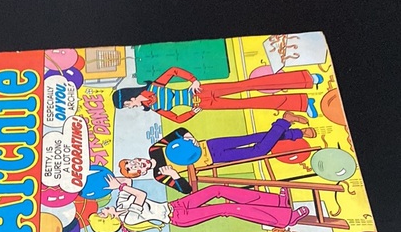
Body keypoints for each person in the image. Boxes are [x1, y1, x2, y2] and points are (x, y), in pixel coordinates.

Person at [118, 111, 316, 194]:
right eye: (135, 169)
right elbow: (187, 190)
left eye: (133, 162)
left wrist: (188, 136)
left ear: (136, 158)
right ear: (141, 173)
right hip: (215, 158)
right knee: (259, 150)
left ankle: (296, 131)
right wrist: (175, 175)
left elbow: (179, 132)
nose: (137, 165)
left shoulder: (154, 149)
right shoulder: (159, 175)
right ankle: (287, 123)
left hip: (211, 144)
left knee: (253, 138)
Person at [88, 176, 309, 232]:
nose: (103, 209)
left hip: (175, 205)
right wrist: (121, 187)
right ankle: (283, 219)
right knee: (225, 209)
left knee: (217, 190)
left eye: (101, 210)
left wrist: (114, 183)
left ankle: (276, 202)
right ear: (110, 220)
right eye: (102, 213)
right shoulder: (129, 219)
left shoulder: (120, 202)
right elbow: (141, 194)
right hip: (179, 217)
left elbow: (128, 182)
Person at [111, 67, 323, 122]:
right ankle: (302, 103)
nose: (131, 107)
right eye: (128, 108)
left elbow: (173, 71)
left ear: (130, 97)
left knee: (248, 85)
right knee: (249, 103)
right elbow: (177, 119)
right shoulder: (155, 108)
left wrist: (193, 80)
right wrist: (194, 111)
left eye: (128, 105)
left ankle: (306, 79)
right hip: (203, 104)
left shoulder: (155, 87)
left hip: (203, 90)